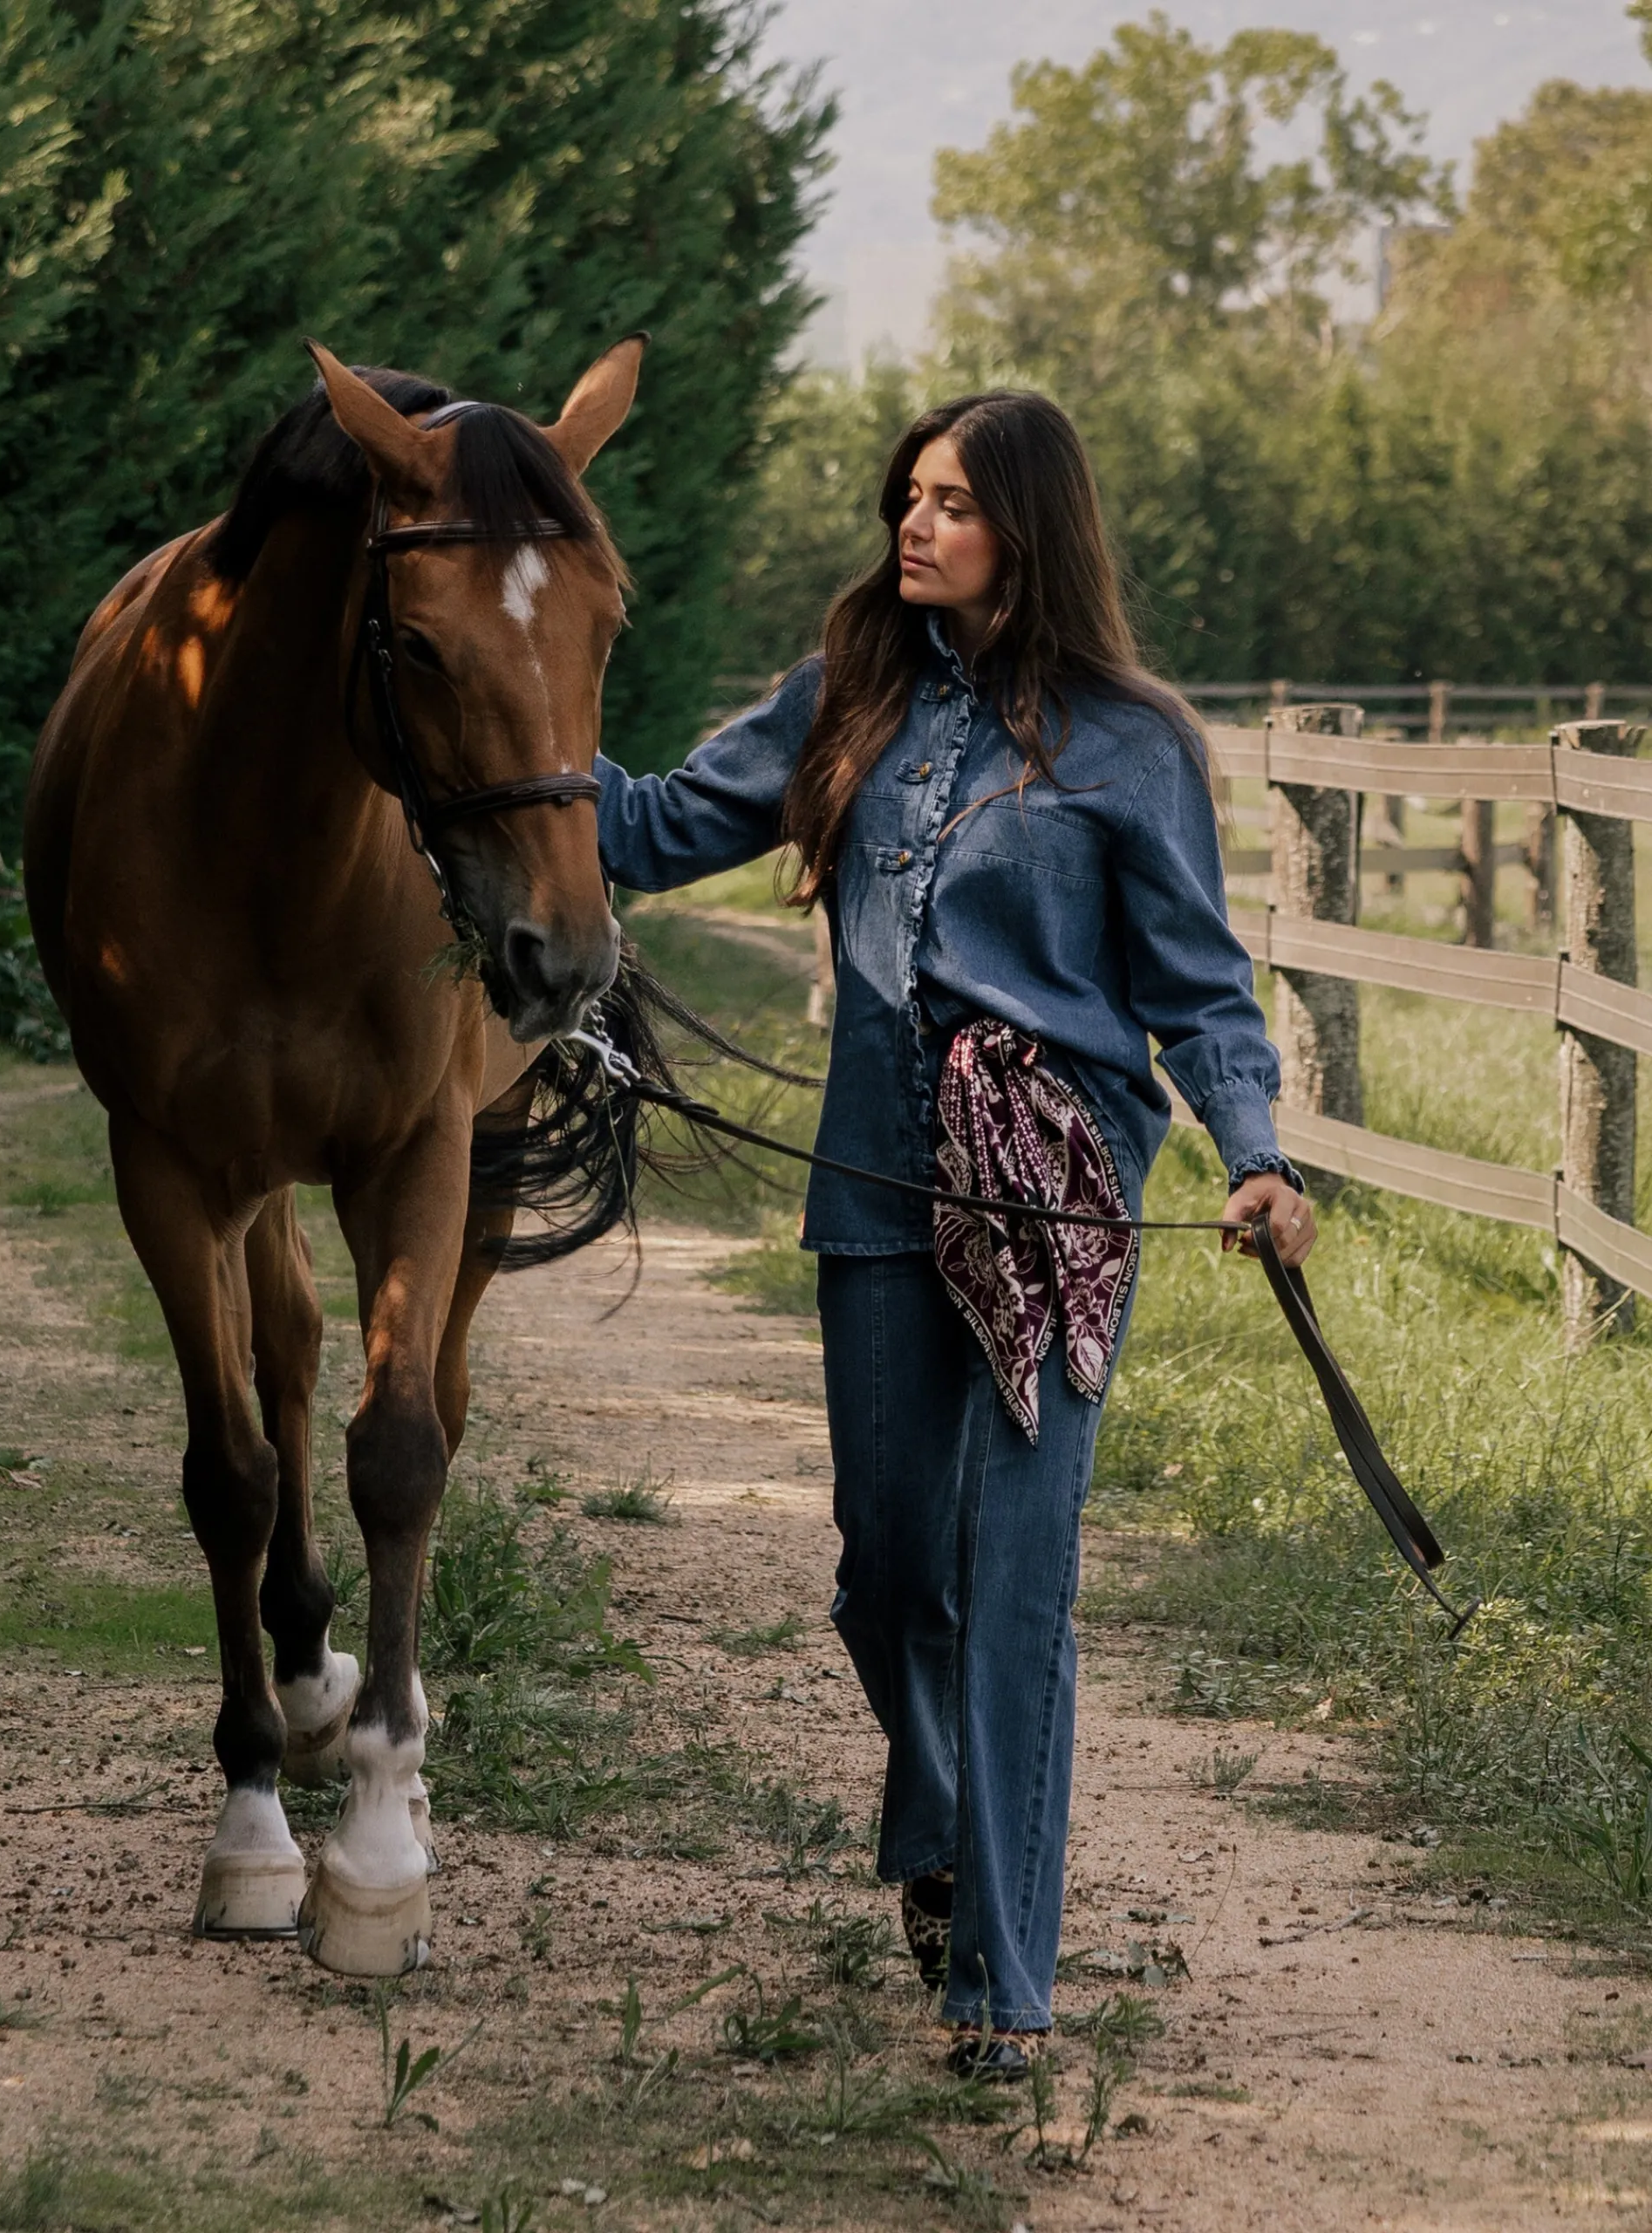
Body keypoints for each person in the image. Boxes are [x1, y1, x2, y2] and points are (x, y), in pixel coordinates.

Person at [592, 390, 1315, 2080]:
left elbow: (1200, 986)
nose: (916, 527)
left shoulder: (1130, 738)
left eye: (955, 505)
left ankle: (1001, 1981)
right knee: (884, 1568)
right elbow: (650, 828)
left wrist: (1261, 1150)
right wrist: (474, 749)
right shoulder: (845, 691)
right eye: (907, 497)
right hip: (869, 1177)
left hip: (1055, 1185)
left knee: (1013, 1582)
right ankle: (936, 1822)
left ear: (1029, 529)